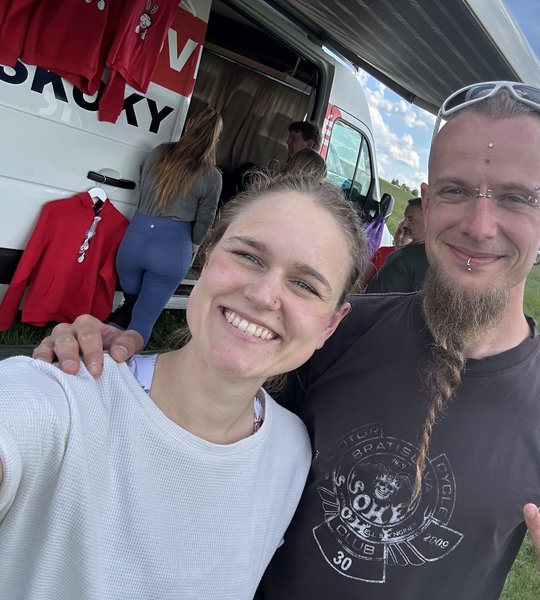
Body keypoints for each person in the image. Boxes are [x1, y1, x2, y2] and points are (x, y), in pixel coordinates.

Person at [33, 82, 540, 599]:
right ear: (427, 203)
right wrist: (98, 365)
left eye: (516, 198)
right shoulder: (336, 330)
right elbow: (201, 405)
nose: (481, 225)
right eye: (456, 190)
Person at [0, 174, 368, 599]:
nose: (263, 294)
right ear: (206, 257)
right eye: (248, 255)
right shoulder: (63, 398)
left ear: (330, 325)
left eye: (304, 285)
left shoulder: (293, 453)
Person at [106, 107, 224, 346]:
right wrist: (193, 246)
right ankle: (119, 363)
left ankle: (98, 350)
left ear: (189, 125)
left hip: (134, 241)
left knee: (129, 304)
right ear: (216, 139)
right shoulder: (211, 176)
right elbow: (205, 218)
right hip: (171, 247)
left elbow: (142, 182)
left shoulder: (159, 152)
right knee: (142, 320)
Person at [366, 196, 429, 293]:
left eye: (411, 219)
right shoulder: (410, 250)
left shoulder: (425, 260)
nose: (404, 224)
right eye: (405, 218)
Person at [358, 221, 413, 291]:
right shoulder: (382, 251)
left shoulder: (413, 265)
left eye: (406, 234)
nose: (400, 237)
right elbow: (362, 281)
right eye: (399, 231)